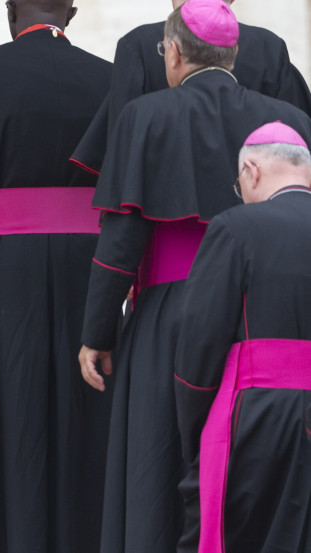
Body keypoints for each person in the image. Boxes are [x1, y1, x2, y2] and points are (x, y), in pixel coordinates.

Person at [76, 3, 311, 552]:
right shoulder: (290, 120)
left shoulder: (144, 116)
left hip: (170, 320)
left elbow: (121, 240)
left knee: (160, 466)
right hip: (266, 323)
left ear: (173, 52)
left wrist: (97, 333)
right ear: (232, 54)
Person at [0, 0, 111, 551]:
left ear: (11, 12)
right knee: (87, 415)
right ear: (72, 13)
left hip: (3, 272)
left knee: (10, 415)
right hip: (93, 269)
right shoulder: (110, 77)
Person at [174, 121, 311, 553]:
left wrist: (193, 424)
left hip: (258, 416)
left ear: (250, 171)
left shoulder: (236, 227)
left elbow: (200, 341)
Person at [71, 0, 311, 174]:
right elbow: (295, 147)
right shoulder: (268, 46)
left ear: (172, 52)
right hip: (255, 214)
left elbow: (123, 155)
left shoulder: (138, 44)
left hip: (167, 213)